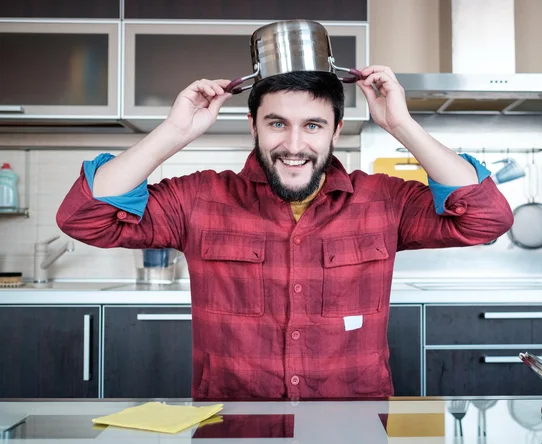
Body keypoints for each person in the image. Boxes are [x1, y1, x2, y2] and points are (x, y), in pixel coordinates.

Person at [57, 65, 513, 399]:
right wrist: (176, 131)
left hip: (350, 428)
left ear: (335, 131)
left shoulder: (384, 201)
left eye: (312, 125)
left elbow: (485, 219)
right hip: (233, 426)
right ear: (252, 125)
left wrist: (401, 125)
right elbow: (85, 216)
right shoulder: (199, 199)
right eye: (277, 123)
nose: (294, 146)